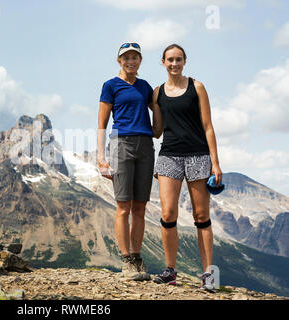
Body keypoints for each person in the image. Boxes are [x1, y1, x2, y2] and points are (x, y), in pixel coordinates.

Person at [151, 44, 222, 292]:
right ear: (163, 62)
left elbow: (208, 126)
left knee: (201, 216)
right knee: (168, 214)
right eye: (170, 60)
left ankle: (208, 274)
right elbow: (157, 130)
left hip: (198, 155)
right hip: (169, 155)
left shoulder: (197, 87)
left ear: (184, 61)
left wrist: (215, 163)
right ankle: (170, 271)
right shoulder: (157, 93)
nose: (174, 64)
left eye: (178, 59)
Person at [97, 42, 159, 281]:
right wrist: (101, 157)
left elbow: (158, 111)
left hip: (145, 145)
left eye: (135, 57)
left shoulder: (145, 87)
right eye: (126, 57)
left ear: (140, 61)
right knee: (123, 206)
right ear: (119, 60)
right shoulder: (110, 85)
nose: (130, 61)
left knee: (140, 207)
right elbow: (101, 123)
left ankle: (137, 256)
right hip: (121, 143)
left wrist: (160, 129)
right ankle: (125, 260)